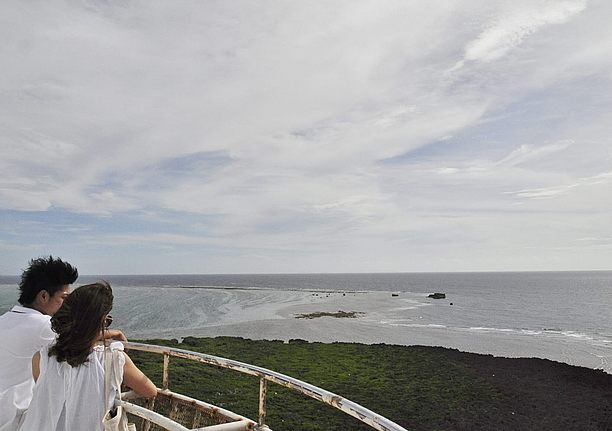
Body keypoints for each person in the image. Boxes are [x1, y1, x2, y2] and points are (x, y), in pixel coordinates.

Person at [0, 257, 126, 430]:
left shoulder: (4, 319)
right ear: (44, 296)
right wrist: (111, 332)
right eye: (64, 298)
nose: (67, 305)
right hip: (19, 419)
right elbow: (77, 337)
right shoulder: (43, 325)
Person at [19, 281, 157, 431]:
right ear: (100, 323)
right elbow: (150, 391)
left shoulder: (41, 357)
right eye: (107, 321)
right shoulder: (113, 359)